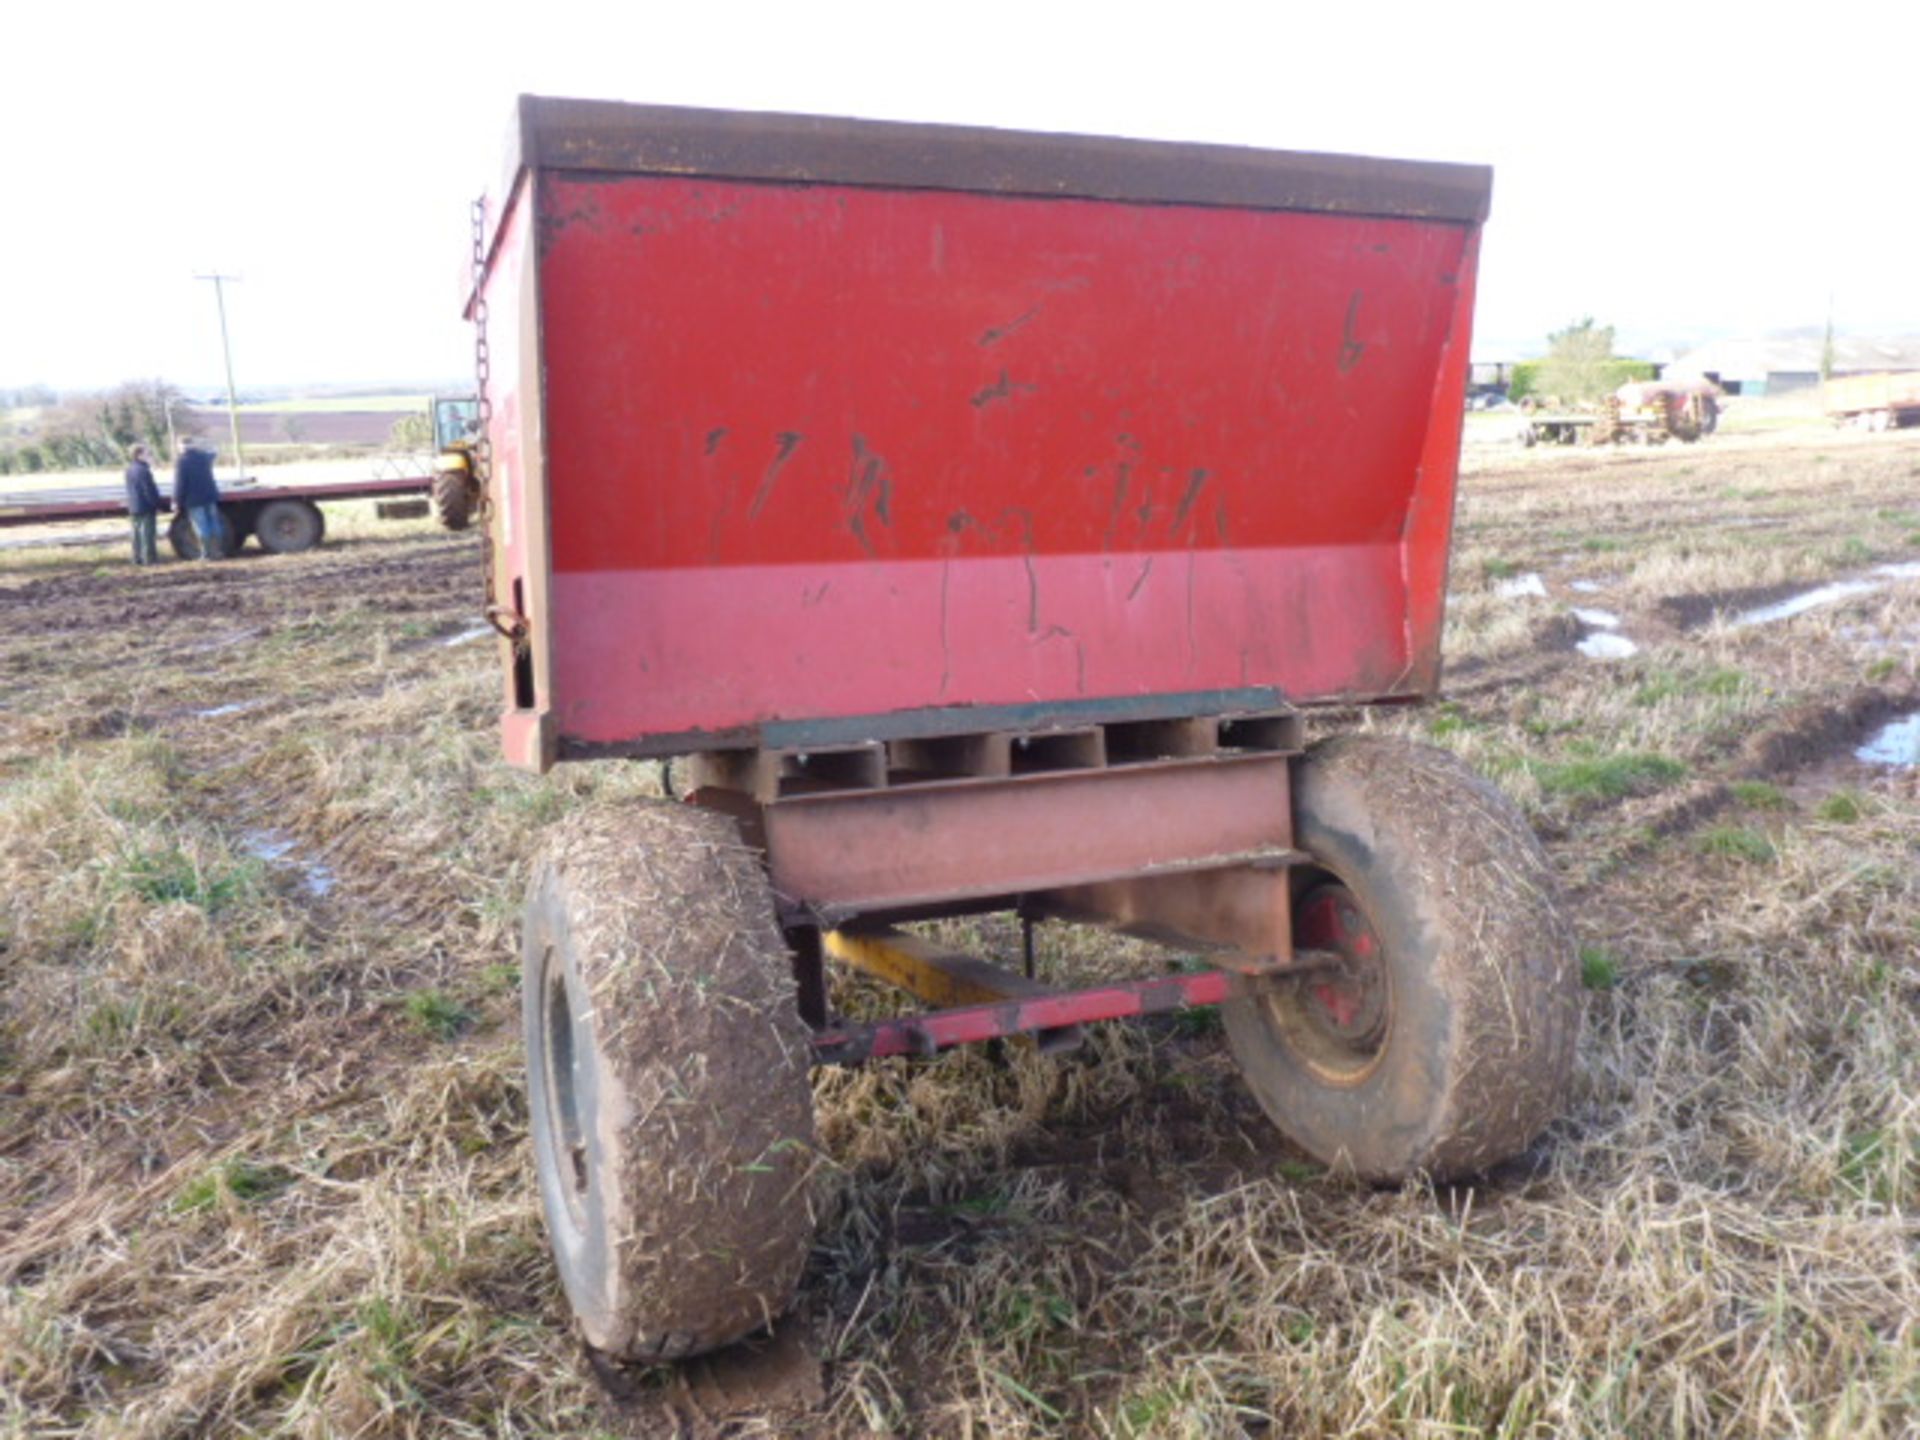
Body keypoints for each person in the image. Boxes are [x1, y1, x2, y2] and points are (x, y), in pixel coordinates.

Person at [173, 437, 224, 559]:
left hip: (194, 499)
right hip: (210, 496)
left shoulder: (182, 461)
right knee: (214, 523)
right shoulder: (204, 457)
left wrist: (176, 500)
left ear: (182, 446)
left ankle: (206, 553)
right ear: (193, 445)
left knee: (201, 526)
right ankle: (217, 551)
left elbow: (180, 483)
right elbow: (215, 452)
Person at [123, 443, 162, 566]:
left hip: (134, 506)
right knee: (147, 535)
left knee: (136, 535)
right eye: (147, 453)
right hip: (145, 506)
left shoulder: (129, 469)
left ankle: (137, 558)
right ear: (139, 455)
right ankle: (149, 559)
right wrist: (157, 504)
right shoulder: (144, 471)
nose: (149, 456)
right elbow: (148, 490)